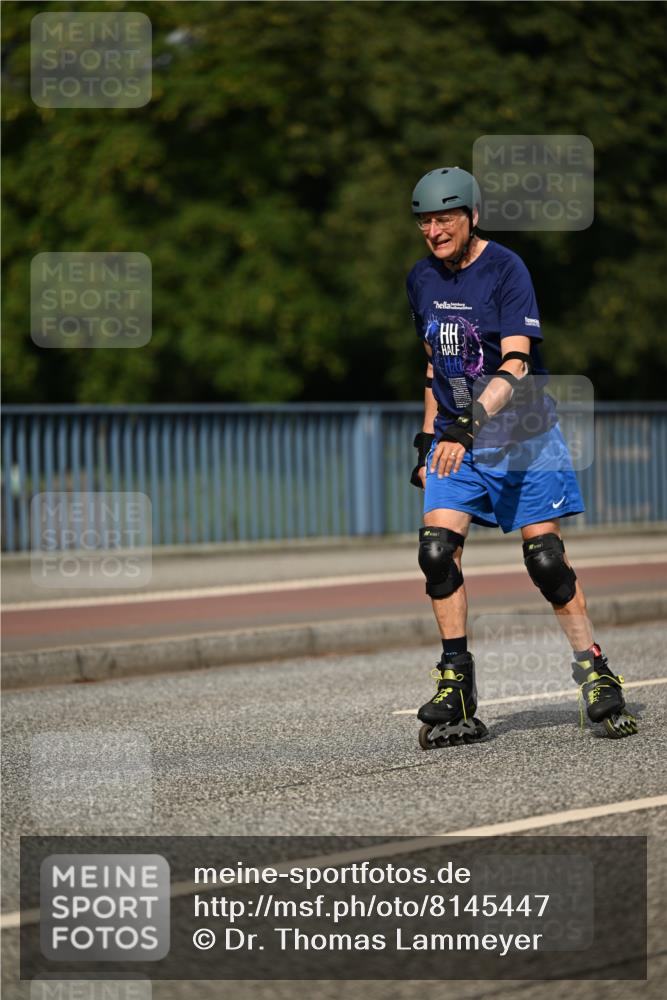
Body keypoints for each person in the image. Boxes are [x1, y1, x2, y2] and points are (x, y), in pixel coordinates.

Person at [406, 166, 637, 748]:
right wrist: (429, 440)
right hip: (457, 442)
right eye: (425, 222)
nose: (434, 232)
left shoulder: (507, 269)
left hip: (523, 441)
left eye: (445, 220)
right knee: (436, 552)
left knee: (546, 561)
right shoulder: (421, 278)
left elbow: (516, 363)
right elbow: (434, 367)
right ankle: (457, 685)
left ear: (473, 216)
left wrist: (465, 427)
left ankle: (595, 670)